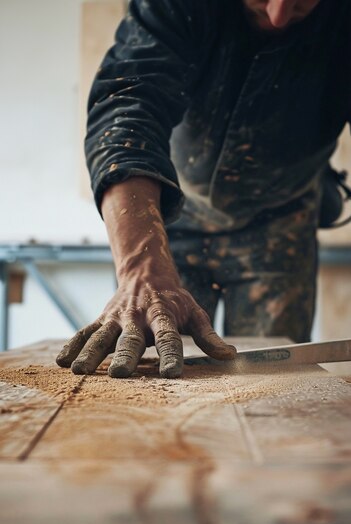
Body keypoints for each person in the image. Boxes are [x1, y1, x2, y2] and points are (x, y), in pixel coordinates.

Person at [56, 0, 351, 378]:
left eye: (301, 0)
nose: (278, 16)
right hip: (164, 216)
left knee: (276, 391)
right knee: (160, 376)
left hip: (283, 216)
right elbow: (128, 107)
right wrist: (141, 268)